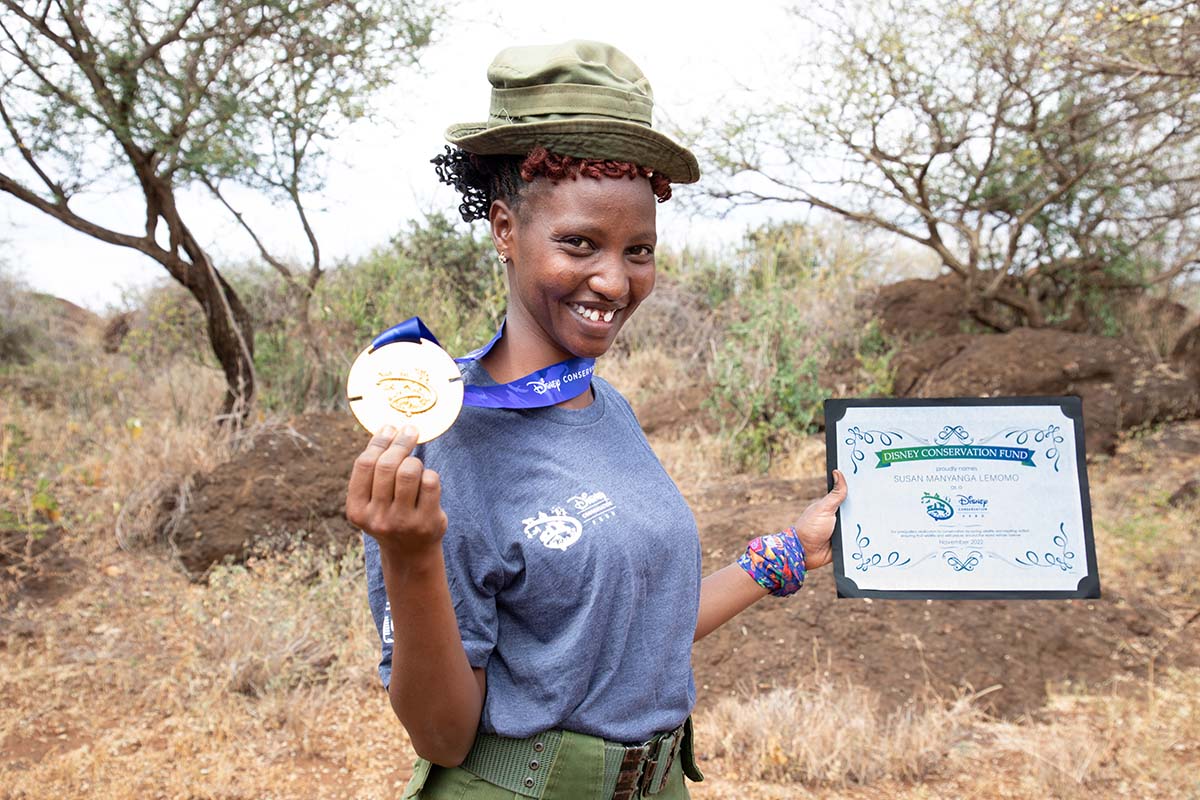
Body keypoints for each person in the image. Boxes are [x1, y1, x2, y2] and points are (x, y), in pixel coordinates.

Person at [346, 40, 848, 800]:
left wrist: (785, 553)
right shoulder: (442, 444)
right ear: (506, 229)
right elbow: (442, 733)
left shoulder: (607, 407)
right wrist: (409, 556)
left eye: (638, 250)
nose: (615, 281)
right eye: (579, 243)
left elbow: (633, 632)